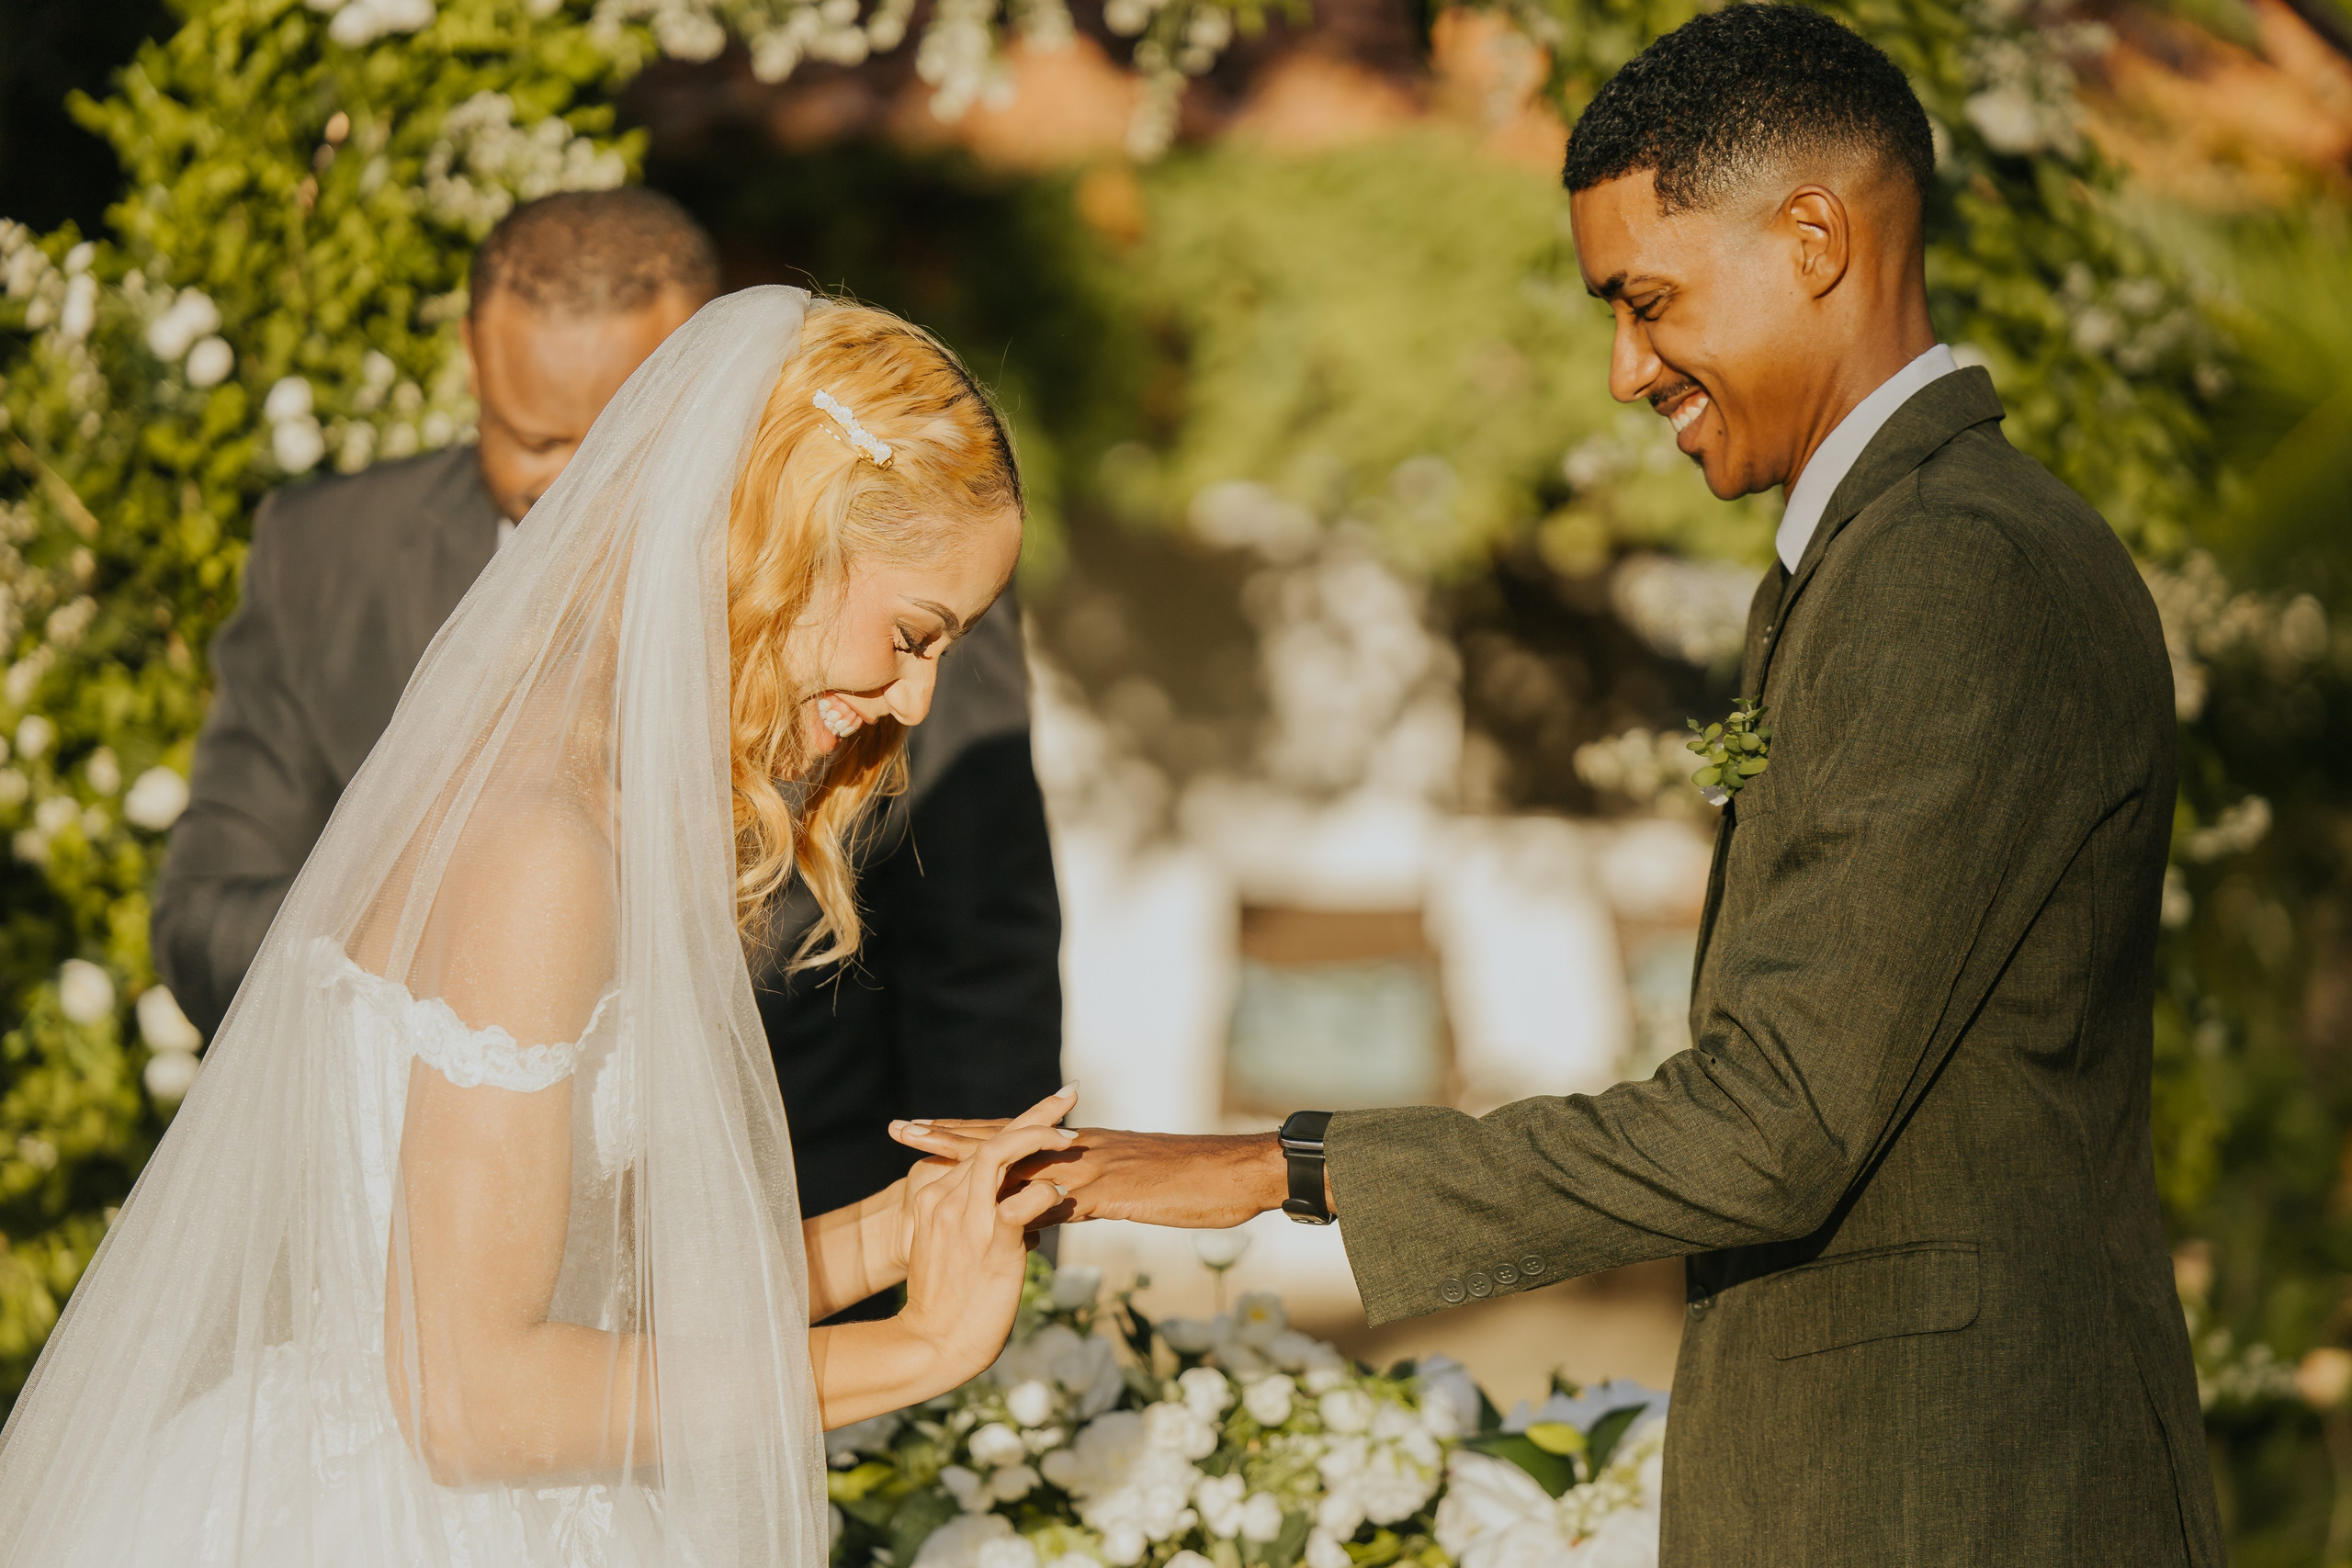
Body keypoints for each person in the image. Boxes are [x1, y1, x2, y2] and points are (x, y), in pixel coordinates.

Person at [898, 9, 2223, 1565]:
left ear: (1814, 238)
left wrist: (1282, 1161)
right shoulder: (1898, 550)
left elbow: (1776, 1122)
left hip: (1958, 1495)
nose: (1622, 370)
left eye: (1649, 302)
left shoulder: (1951, 567)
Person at [0, 289, 1069, 1565]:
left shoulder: (600, 805)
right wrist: (918, 1348)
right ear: (790, 535)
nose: (916, 692)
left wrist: (903, 1226)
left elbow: (600, 1295)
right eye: (912, 633)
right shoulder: (543, 850)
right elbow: (468, 1400)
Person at [152, 188, 1064, 1234]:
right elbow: (204, 911)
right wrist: (460, 966)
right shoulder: (329, 556)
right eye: (539, 441)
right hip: (387, 1237)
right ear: (472, 361)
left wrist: (983, 1241)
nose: (596, 490)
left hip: (784, 1220)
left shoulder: (905, 595)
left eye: (632, 437)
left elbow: (981, 942)